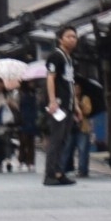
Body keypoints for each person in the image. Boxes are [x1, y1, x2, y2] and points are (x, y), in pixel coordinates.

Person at [42, 27, 84, 184]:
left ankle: (59, 172)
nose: (72, 39)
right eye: (68, 36)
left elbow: (70, 83)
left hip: (68, 104)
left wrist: (76, 106)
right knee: (56, 139)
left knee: (64, 140)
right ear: (60, 39)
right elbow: (50, 78)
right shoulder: (55, 56)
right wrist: (52, 100)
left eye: (74, 36)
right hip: (59, 105)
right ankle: (50, 174)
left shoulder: (69, 59)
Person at [15, 77, 39, 174]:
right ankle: (21, 160)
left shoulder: (34, 93)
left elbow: (37, 106)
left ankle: (31, 161)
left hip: (32, 119)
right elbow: (17, 106)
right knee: (23, 142)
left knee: (31, 142)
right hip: (23, 119)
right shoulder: (20, 94)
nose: (32, 84)